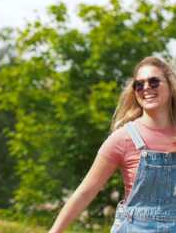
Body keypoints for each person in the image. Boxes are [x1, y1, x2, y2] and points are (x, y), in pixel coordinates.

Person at [49, 56, 176, 233]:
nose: (146, 87)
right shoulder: (123, 138)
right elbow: (85, 192)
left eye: (154, 82)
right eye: (139, 84)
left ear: (170, 86)